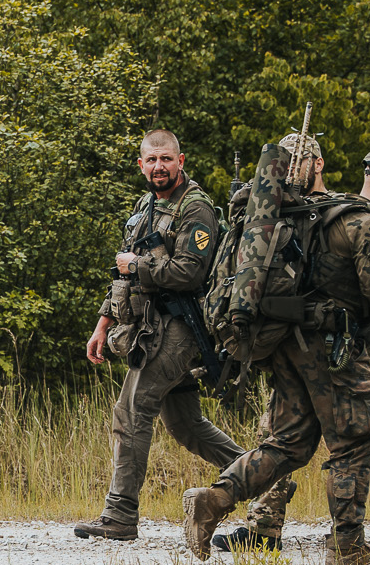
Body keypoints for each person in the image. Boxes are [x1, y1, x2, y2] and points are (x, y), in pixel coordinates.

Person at [181, 144, 370, 565]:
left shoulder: (316, 213)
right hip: (333, 349)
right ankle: (348, 551)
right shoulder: (366, 223)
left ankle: (212, 501)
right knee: (355, 439)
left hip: (287, 343)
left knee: (288, 444)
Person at [215, 149, 370, 557]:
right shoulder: (331, 213)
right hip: (328, 345)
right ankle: (264, 527)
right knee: (283, 433)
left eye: (303, 158)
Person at [73, 130, 243, 541]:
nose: (159, 167)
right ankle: (263, 474)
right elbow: (122, 274)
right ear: (141, 165)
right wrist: (104, 322)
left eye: (166, 159)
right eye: (151, 160)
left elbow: (190, 272)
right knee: (185, 425)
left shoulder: (195, 208)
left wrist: (137, 268)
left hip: (181, 328)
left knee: (132, 411)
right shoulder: (146, 205)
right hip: (149, 325)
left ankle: (119, 516)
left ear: (180, 161)